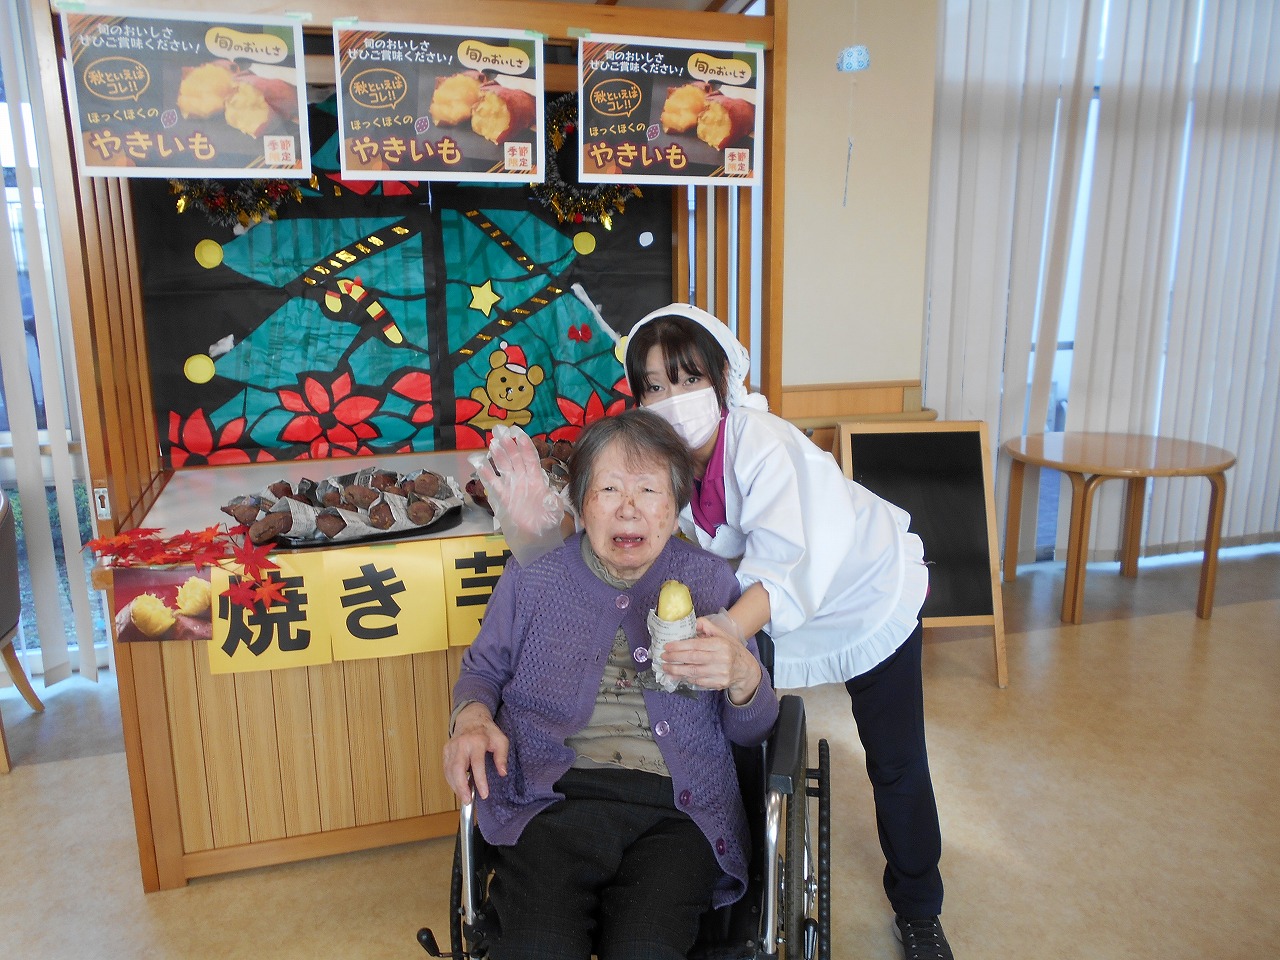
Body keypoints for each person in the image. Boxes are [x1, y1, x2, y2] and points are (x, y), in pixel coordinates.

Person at [622, 303, 954, 960]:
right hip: (770, 605)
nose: (672, 399)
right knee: (743, 735)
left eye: (687, 379)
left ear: (722, 378)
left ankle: (919, 908)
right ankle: (744, 886)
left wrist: (725, 631)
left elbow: (784, 563)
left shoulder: (761, 442)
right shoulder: (665, 462)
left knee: (894, 760)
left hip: (864, 593)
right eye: (654, 386)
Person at [443, 408, 780, 960]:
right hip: (553, 799)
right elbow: (482, 671)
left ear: (674, 506)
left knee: (646, 948)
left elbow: (754, 733)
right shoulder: (535, 576)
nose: (629, 508)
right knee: (536, 947)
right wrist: (472, 719)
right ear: (579, 504)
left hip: (679, 811)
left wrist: (745, 676)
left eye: (649, 490)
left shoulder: (711, 582)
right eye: (609, 489)